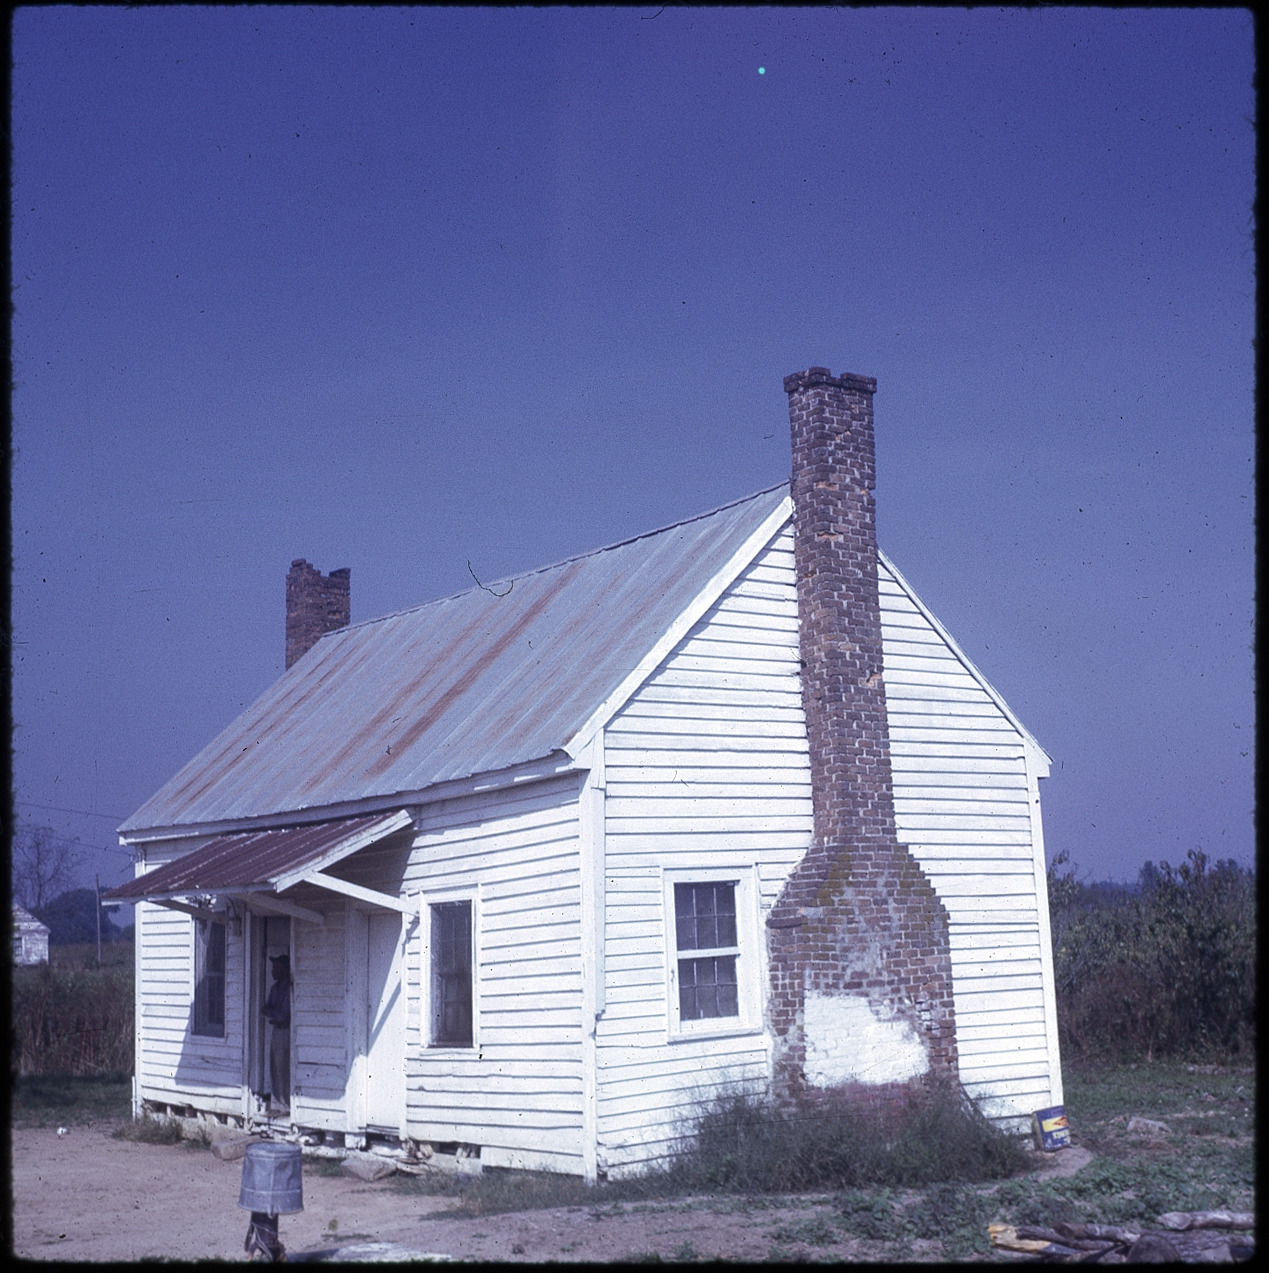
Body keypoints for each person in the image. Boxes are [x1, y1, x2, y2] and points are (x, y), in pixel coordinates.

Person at [263, 953, 291, 1114]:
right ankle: (277, 1103)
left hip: (285, 1030)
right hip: (276, 1029)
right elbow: (266, 1008)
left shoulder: (288, 989)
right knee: (274, 1066)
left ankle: (287, 1103)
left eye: (276, 968)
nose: (273, 971)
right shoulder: (275, 989)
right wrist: (272, 1012)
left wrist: (271, 1012)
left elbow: (283, 1014)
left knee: (283, 1067)